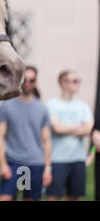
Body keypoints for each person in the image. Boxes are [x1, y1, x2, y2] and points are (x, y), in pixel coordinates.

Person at [0, 66, 52, 201]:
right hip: (13, 163)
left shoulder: (42, 109)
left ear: (36, 82)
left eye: (31, 80)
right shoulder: (6, 106)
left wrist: (48, 168)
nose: (27, 83)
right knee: (4, 198)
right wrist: (2, 164)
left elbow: (46, 140)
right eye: (24, 79)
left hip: (35, 164)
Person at [46, 70, 94, 201]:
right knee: (53, 196)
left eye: (78, 81)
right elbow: (57, 128)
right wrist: (79, 128)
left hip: (78, 159)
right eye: (74, 81)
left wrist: (66, 128)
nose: (78, 84)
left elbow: (88, 129)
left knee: (74, 196)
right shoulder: (52, 104)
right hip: (57, 159)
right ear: (63, 83)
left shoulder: (82, 105)